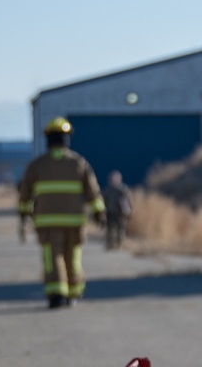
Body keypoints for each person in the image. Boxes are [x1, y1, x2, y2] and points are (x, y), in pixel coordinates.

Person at [18, 118, 105, 308]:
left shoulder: (37, 165)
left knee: (53, 257)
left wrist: (24, 215)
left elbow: (25, 194)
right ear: (66, 139)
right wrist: (99, 212)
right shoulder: (78, 163)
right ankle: (73, 293)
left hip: (47, 223)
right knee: (73, 257)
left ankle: (57, 294)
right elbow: (93, 191)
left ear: (48, 139)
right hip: (75, 221)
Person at [104, 170, 133, 249]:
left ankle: (120, 244)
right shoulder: (108, 190)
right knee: (110, 229)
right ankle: (110, 244)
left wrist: (129, 212)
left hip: (120, 213)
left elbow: (128, 201)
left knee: (120, 229)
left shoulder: (123, 190)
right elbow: (104, 201)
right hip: (110, 212)